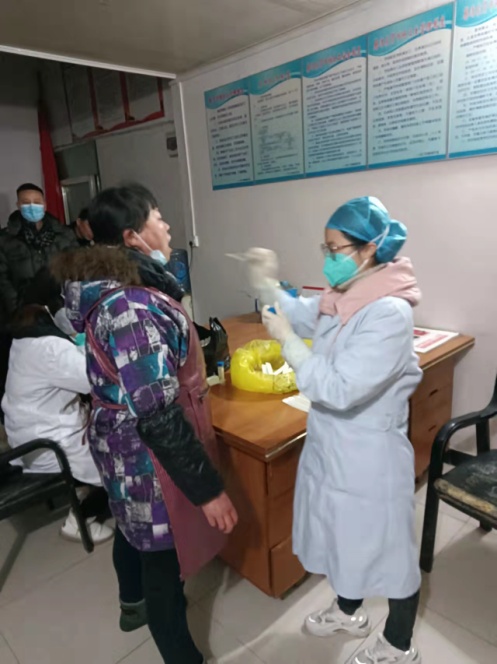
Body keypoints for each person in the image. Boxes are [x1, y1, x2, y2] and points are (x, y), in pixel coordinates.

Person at [51, 184, 238, 664]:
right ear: (132, 237)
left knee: (133, 528)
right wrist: (208, 490)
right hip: (143, 454)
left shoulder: (122, 292)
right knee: (162, 558)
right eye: (158, 216)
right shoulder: (132, 307)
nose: (168, 225)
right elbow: (156, 413)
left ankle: (131, 605)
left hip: (121, 443)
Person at [248, 197, 423, 664]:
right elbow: (300, 312)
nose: (328, 258)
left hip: (370, 456)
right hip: (334, 447)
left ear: (369, 250)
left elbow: (340, 388)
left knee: (389, 553)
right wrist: (266, 282)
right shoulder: (344, 295)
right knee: (344, 539)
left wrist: (288, 341)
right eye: (324, 248)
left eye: (335, 248)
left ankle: (399, 644)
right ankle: (349, 612)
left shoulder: (389, 313)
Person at [2, 302, 113, 544]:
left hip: (29, 438)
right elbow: (90, 379)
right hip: (52, 444)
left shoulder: (22, 344)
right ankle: (80, 518)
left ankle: (82, 492)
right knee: (121, 459)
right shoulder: (49, 347)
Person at [0, 183, 77, 318]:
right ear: (18, 205)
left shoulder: (64, 235)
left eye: (36, 202)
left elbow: (76, 268)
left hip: (61, 310)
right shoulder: (6, 239)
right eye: (26, 203)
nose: (32, 207)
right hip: (23, 312)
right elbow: (3, 280)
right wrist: (17, 311)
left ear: (44, 205)